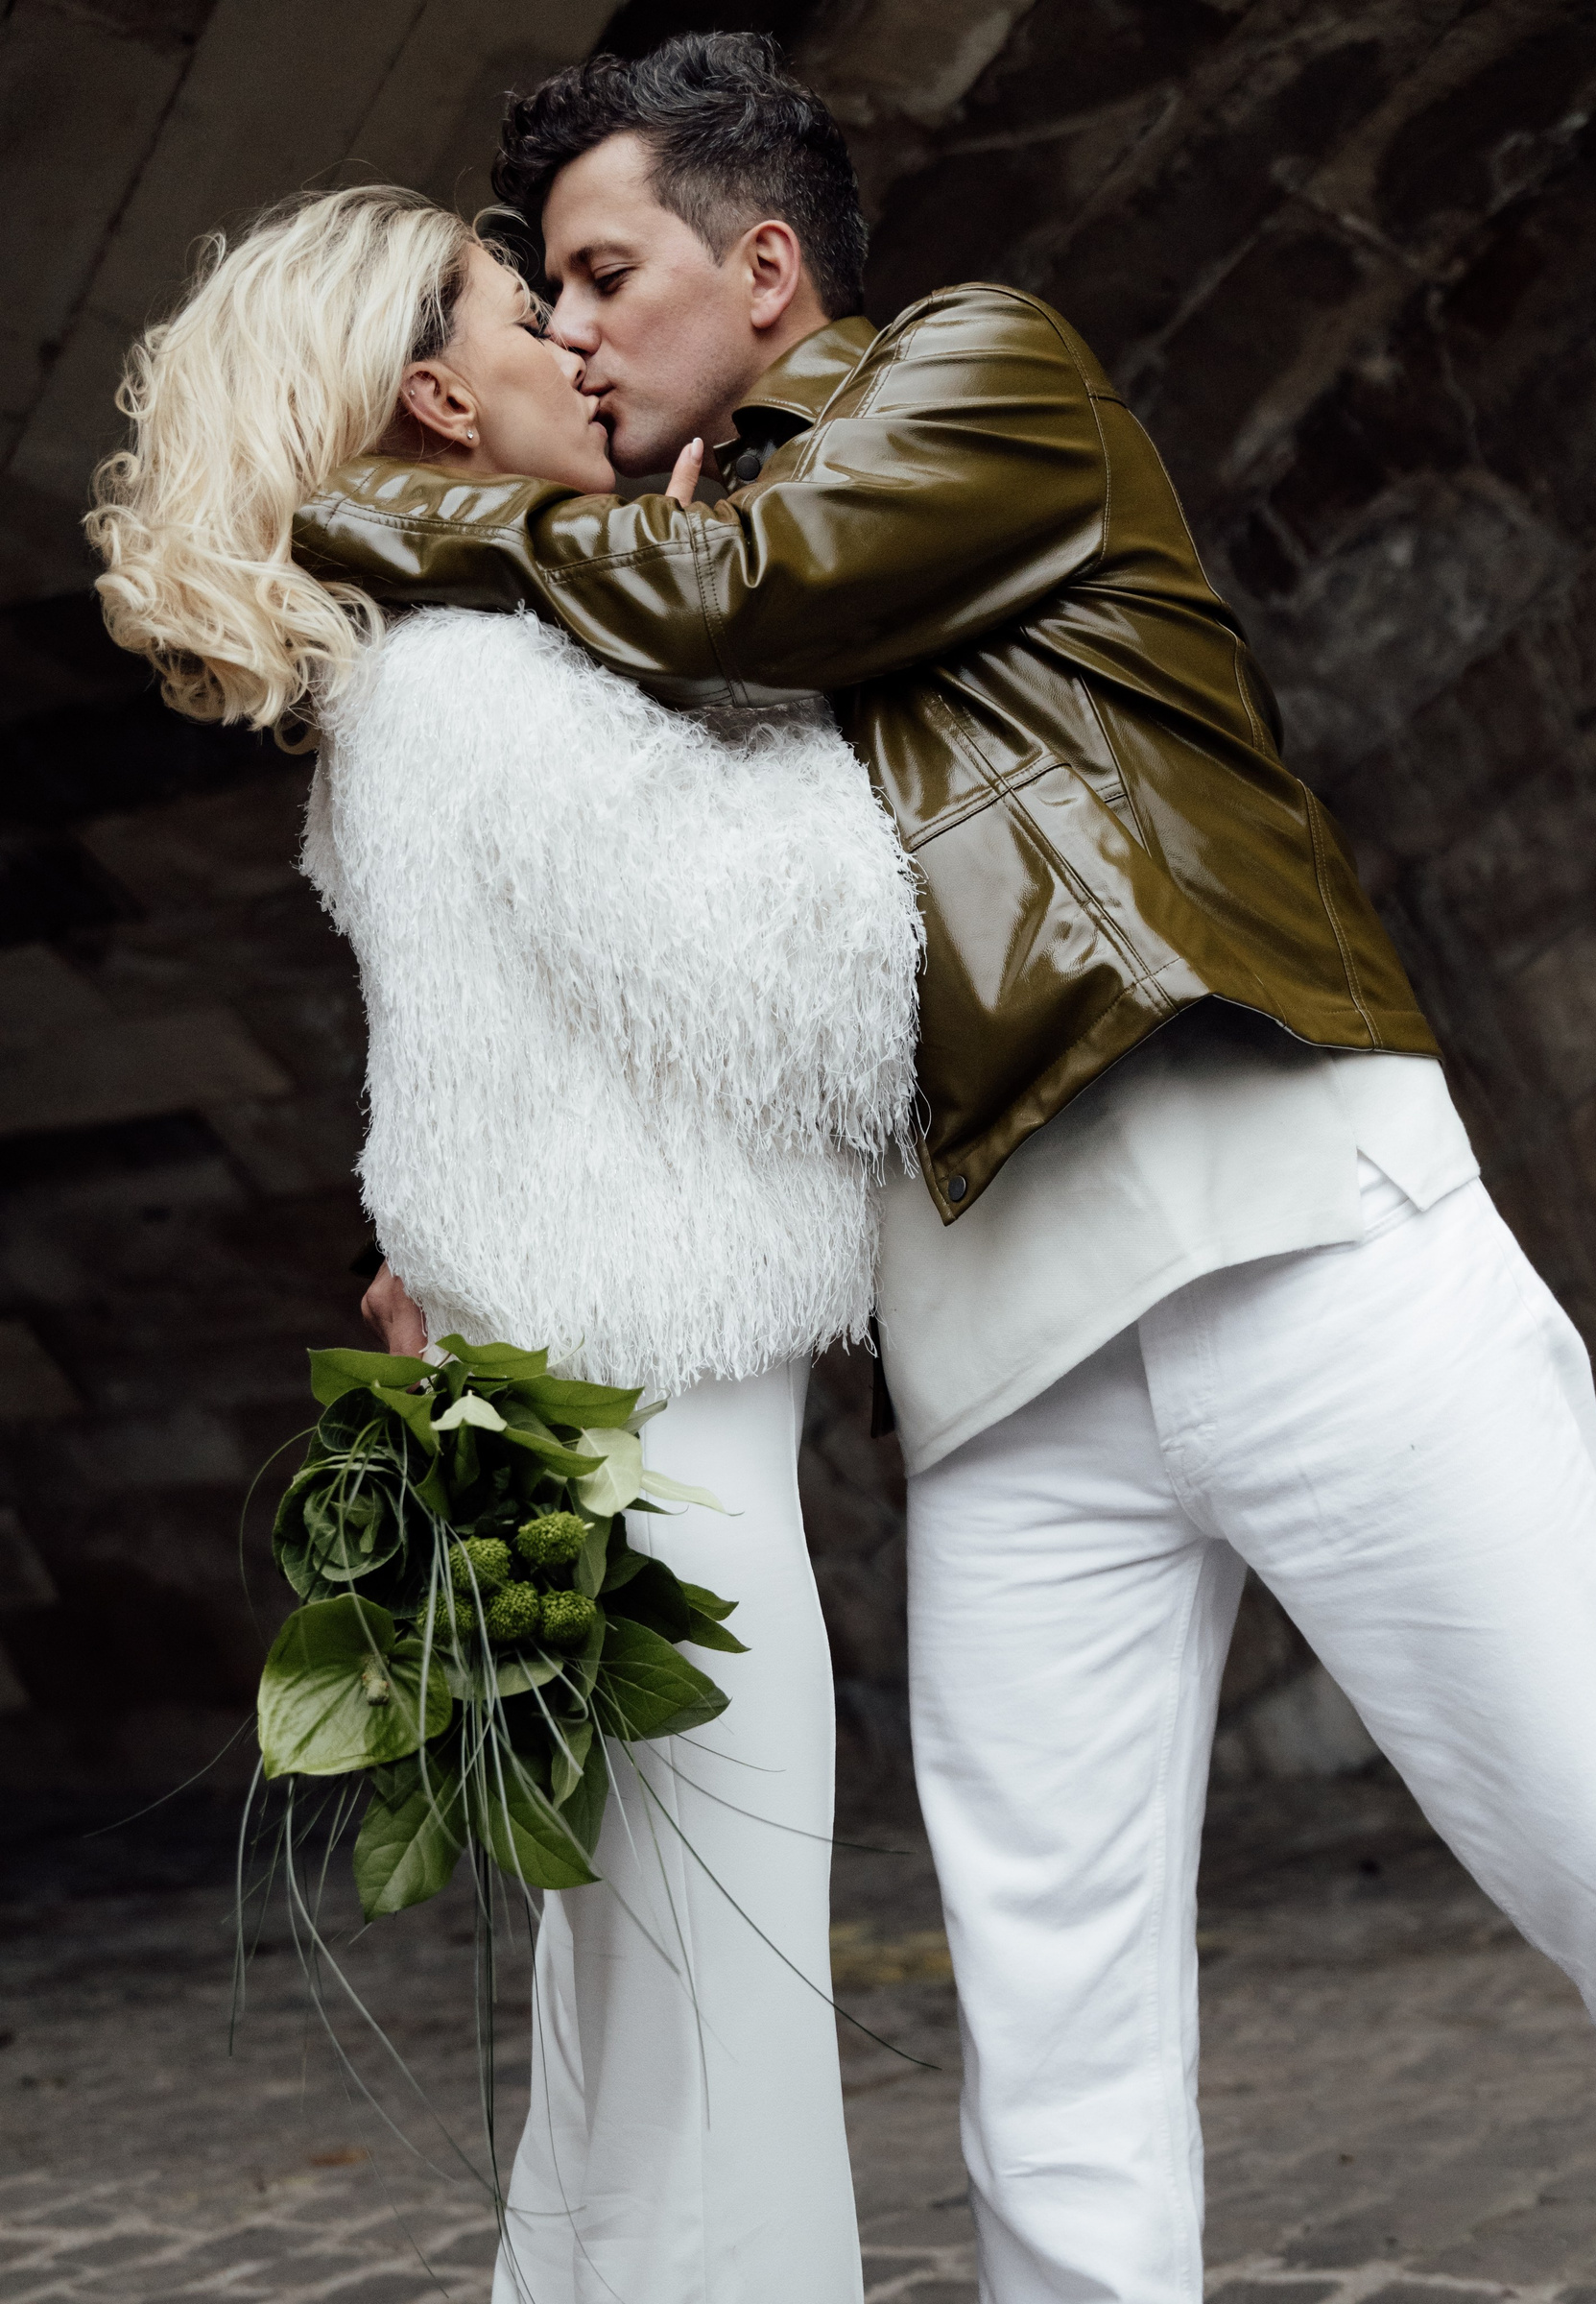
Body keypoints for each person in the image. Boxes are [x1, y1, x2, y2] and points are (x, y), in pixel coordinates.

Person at [289, 35, 1596, 2304]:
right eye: (548, 294)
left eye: (608, 273)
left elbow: (766, 588)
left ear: (766, 266)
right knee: (1057, 2061)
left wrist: (389, 516)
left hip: (1303, 1250)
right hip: (1000, 1381)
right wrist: (452, 1243)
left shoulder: (975, 377)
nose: (578, 328)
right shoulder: (618, 600)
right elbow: (623, 980)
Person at [86, 183, 925, 2304]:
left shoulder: (437, 680)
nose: (574, 336)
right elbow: (832, 997)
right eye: (521, 311)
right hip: (659, 1468)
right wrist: (788, 693)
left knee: (632, 2080)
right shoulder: (488, 686)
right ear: (444, 402)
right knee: (713, 2081)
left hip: (574, 1443)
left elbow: (472, 1082)